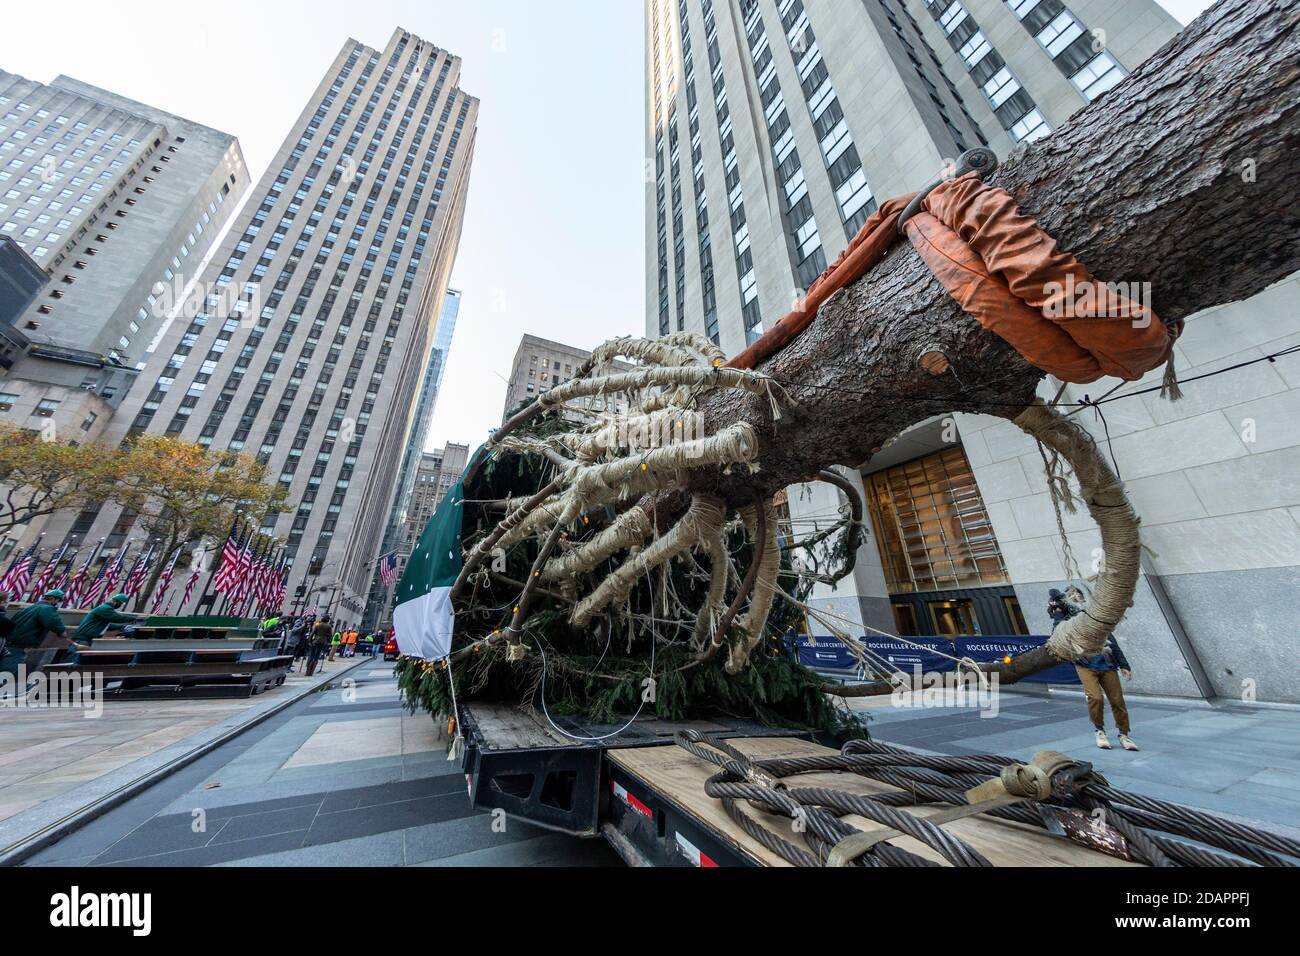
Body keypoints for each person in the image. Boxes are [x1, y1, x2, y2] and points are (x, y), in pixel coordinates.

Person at [1050, 589, 1138, 752]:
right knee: (1095, 698)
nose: (1076, 597)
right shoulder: (1067, 619)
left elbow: (1112, 642)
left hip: (1107, 663)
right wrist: (1057, 613)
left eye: (1078, 594)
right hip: (1085, 664)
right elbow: (1057, 633)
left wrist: (1124, 665)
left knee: (1117, 700)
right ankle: (1099, 730)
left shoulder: (1094, 617)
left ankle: (1124, 734)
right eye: (1072, 595)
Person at [3, 589, 74, 680]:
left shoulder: (30, 608)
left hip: (12, 643)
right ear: (53, 599)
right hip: (21, 645)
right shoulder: (46, 608)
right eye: (58, 600)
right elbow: (53, 622)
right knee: (9, 671)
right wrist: (62, 632)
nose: (57, 603)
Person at [73, 593, 142, 646]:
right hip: (82, 639)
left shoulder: (106, 609)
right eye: (120, 603)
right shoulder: (105, 608)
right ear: (114, 601)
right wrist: (135, 619)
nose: (120, 605)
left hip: (87, 639)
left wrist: (122, 627)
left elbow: (107, 626)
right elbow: (117, 618)